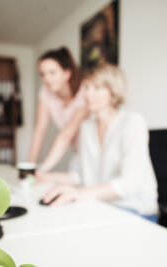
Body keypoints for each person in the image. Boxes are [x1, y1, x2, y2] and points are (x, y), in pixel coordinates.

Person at [41, 63, 159, 222]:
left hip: (135, 210)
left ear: (113, 92)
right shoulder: (86, 127)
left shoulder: (132, 123)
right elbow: (81, 175)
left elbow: (130, 182)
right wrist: (50, 178)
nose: (88, 94)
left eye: (97, 88)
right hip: (101, 208)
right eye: (86, 87)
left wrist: (79, 193)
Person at [28, 47, 88, 182]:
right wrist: (29, 168)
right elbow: (40, 129)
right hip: (78, 154)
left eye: (52, 72)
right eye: (42, 74)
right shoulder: (46, 91)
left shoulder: (86, 92)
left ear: (67, 73)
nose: (46, 78)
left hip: (96, 155)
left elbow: (65, 136)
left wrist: (42, 169)